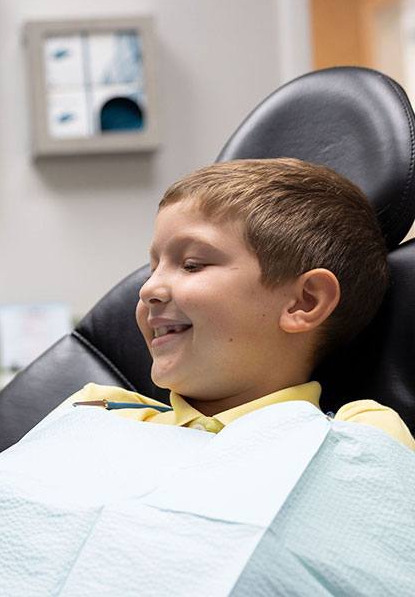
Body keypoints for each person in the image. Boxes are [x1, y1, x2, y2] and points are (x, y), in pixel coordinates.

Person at [64, 157, 415, 449]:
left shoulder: (356, 436)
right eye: (152, 269)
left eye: (191, 265)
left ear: (304, 302)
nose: (148, 289)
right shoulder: (99, 410)